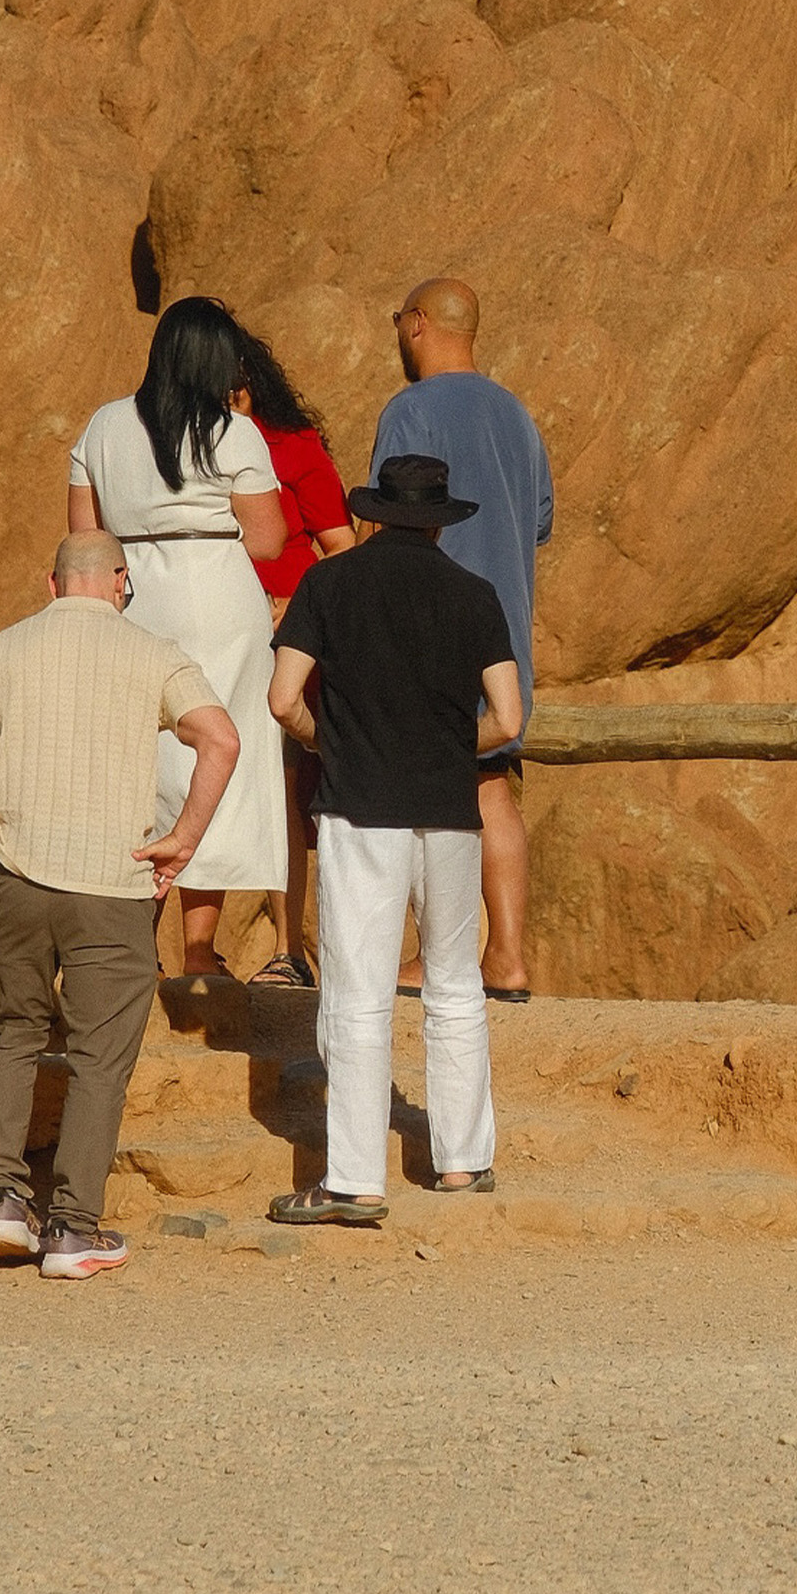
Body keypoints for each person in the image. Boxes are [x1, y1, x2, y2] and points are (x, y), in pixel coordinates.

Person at [0, 531, 241, 1277]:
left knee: (13, 1031)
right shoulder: (155, 654)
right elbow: (220, 738)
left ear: (52, 584)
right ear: (120, 581)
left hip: (17, 876)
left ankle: (1, 1202)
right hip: (113, 883)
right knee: (98, 1056)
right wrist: (182, 839)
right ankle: (73, 1229)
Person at [265, 454, 524, 1226]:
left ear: (375, 513)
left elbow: (283, 699)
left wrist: (324, 742)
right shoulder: (475, 596)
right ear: (441, 521)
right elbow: (509, 720)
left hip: (359, 807)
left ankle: (353, 1179)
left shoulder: (328, 585)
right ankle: (462, 1160)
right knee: (454, 984)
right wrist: (448, 750)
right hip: (449, 811)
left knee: (358, 990)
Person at [67, 295, 290, 972]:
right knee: (215, 758)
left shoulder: (102, 427)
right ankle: (199, 952)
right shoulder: (234, 432)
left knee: (139, 768)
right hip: (217, 601)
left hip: (130, 600)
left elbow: (83, 537)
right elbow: (270, 540)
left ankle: (133, 942)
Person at [373, 275, 552, 1000]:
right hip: (502, 624)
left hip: (426, 619)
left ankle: (432, 956)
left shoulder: (411, 409)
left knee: (420, 791)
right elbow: (538, 521)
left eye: (397, 322)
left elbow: (385, 516)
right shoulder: (517, 415)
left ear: (418, 324)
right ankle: (505, 957)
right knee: (491, 787)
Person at [231, 321, 355, 990]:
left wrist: (296, 613)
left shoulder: (295, 447)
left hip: (293, 647)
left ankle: (291, 949)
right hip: (221, 642)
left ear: (245, 388)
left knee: (287, 790)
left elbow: (341, 546)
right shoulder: (199, 446)